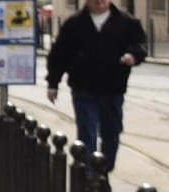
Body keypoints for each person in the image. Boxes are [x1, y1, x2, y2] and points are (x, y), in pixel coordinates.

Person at [46, 0, 148, 169]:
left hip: (113, 88)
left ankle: (103, 171)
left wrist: (133, 55)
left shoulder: (127, 23)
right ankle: (90, 178)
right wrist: (52, 83)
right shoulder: (74, 24)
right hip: (83, 88)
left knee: (111, 133)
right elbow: (59, 55)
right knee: (87, 132)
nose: (99, 1)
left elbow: (140, 45)